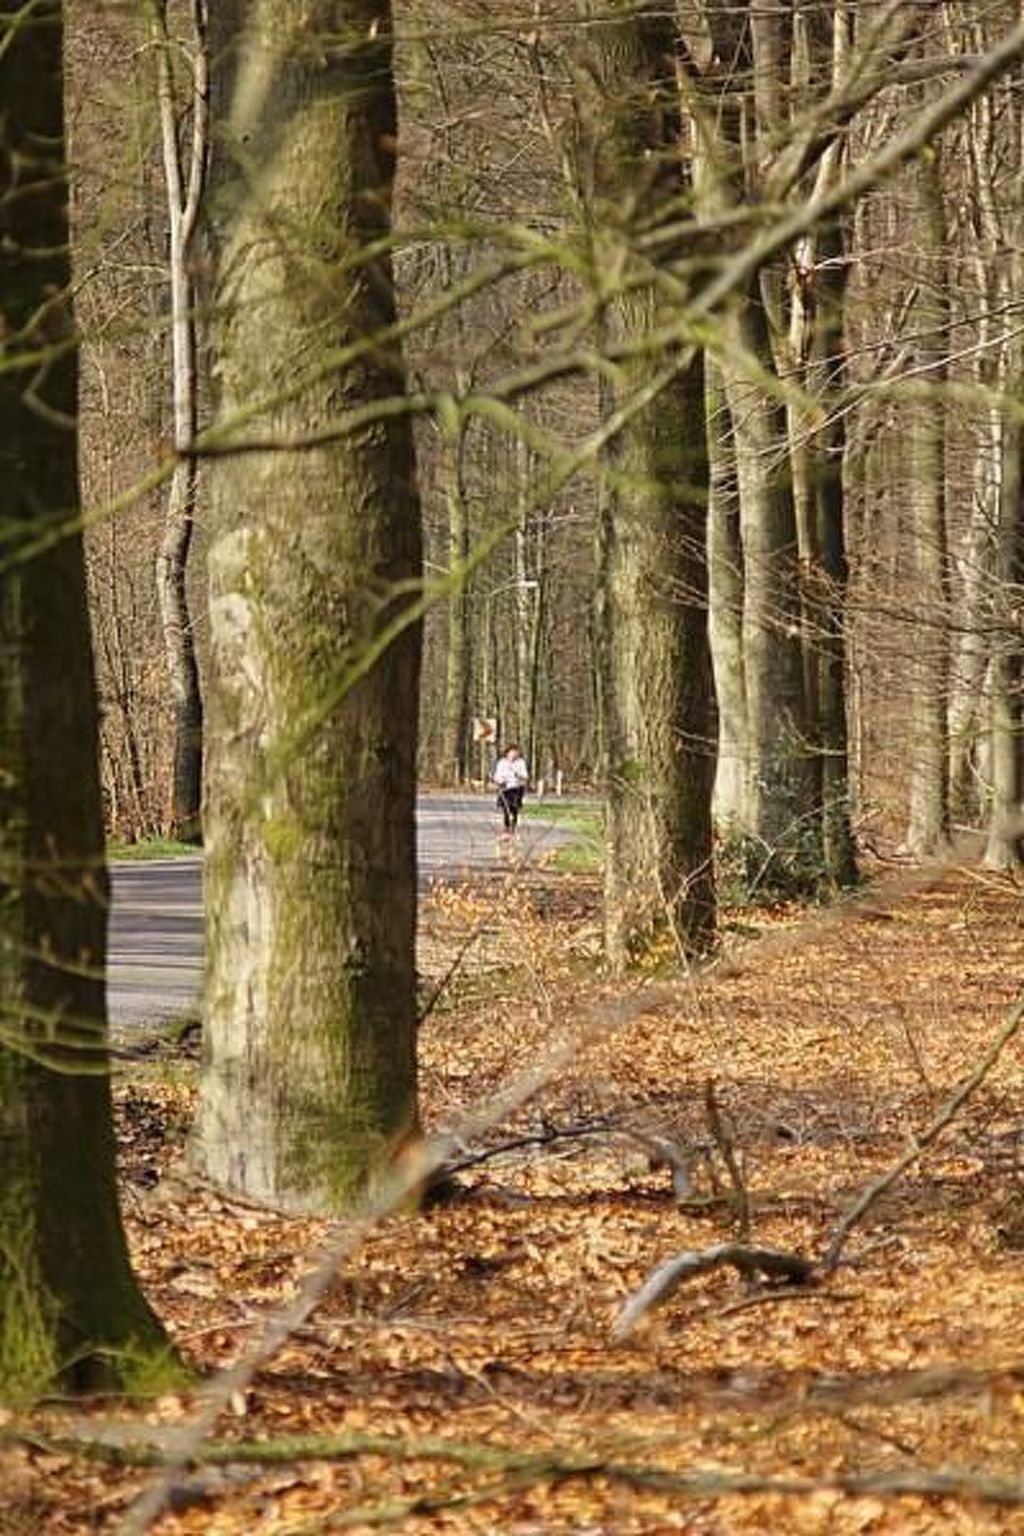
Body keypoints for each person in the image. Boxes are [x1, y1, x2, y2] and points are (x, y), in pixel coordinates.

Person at [493, 743, 529, 833]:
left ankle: (513, 824)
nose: (514, 754)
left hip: (516, 788)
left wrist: (519, 775)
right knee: (506, 807)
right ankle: (507, 825)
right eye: (512, 752)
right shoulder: (502, 763)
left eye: (516, 752)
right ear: (507, 753)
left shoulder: (521, 762)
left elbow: (525, 776)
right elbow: (497, 776)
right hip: (505, 788)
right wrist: (500, 781)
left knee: (514, 808)